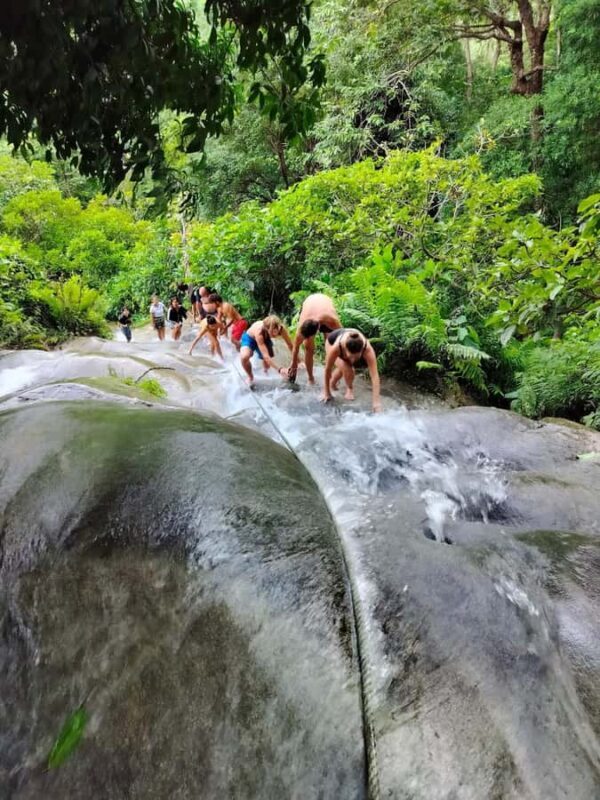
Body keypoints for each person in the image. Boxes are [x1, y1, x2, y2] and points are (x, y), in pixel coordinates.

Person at [321, 328, 382, 413]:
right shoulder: (336, 348)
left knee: (344, 366)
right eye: (350, 356)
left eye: (356, 357)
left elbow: (375, 375)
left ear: (361, 351)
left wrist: (376, 402)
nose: (353, 360)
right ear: (345, 349)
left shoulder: (367, 349)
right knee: (348, 368)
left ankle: (333, 383)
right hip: (331, 341)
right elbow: (327, 369)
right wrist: (326, 393)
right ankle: (349, 388)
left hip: (349, 339)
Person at [287, 293, 341, 384]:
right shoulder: (301, 328)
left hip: (324, 303)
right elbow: (295, 347)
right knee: (308, 347)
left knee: (330, 346)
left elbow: (343, 335)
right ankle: (310, 378)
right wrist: (293, 364)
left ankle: (330, 375)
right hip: (309, 303)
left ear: (316, 331)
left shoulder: (331, 320)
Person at [240, 315, 293, 387]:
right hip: (250, 338)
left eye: (276, 332)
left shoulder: (281, 329)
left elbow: (290, 345)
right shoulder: (260, 332)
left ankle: (265, 372)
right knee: (244, 356)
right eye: (272, 332)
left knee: (267, 365)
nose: (274, 335)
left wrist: (298, 361)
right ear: (266, 329)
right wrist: (280, 369)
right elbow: (266, 356)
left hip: (265, 338)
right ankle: (250, 377)